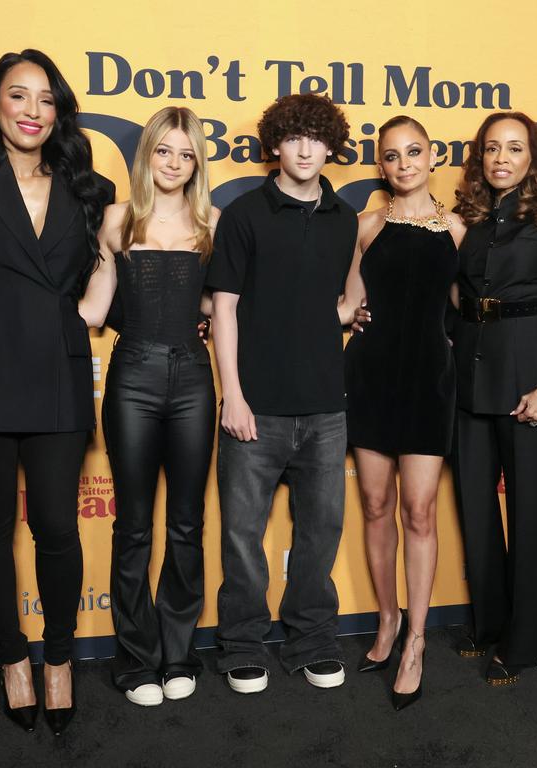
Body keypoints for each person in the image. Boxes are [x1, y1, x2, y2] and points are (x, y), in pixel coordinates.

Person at [0, 49, 113, 735]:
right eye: (19, 96)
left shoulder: (87, 188)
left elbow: (103, 278)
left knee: (56, 527)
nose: (33, 111)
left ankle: (60, 657)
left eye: (47, 100)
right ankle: (12, 656)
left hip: (57, 370)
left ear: (59, 112)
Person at [207, 94, 357, 694]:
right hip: (257, 406)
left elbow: (341, 298)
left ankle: (312, 639)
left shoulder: (344, 218)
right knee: (243, 537)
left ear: (330, 146)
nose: (304, 149)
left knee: (320, 533)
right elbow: (225, 309)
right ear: (275, 144)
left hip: (326, 405)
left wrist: (348, 314)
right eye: (292, 137)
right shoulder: (244, 214)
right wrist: (233, 396)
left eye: (315, 139)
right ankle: (242, 642)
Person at [78, 107, 219, 707]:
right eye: (165, 151)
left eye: (186, 155)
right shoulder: (116, 220)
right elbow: (92, 308)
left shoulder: (213, 221)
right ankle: (137, 658)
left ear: (196, 164)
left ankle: (179, 652)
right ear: (148, 155)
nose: (174, 163)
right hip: (131, 374)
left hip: (193, 378)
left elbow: (224, 306)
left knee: (186, 522)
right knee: (133, 524)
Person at [449, 112, 537, 686]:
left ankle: (522, 641)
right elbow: (456, 292)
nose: (501, 158)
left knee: (528, 511)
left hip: (531, 369)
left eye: (513, 148)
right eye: (491, 149)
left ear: (534, 155)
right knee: (475, 507)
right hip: (471, 366)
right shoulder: (471, 218)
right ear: (479, 157)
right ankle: (488, 623)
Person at [340, 116, 465, 709]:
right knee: (374, 505)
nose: (404, 163)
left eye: (414, 152)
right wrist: (348, 315)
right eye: (392, 156)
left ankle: (416, 639)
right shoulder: (364, 228)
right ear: (381, 164)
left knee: (418, 511)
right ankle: (387, 619)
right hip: (369, 377)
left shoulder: (460, 231)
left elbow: (466, 313)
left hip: (428, 383)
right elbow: (347, 304)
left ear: (433, 156)